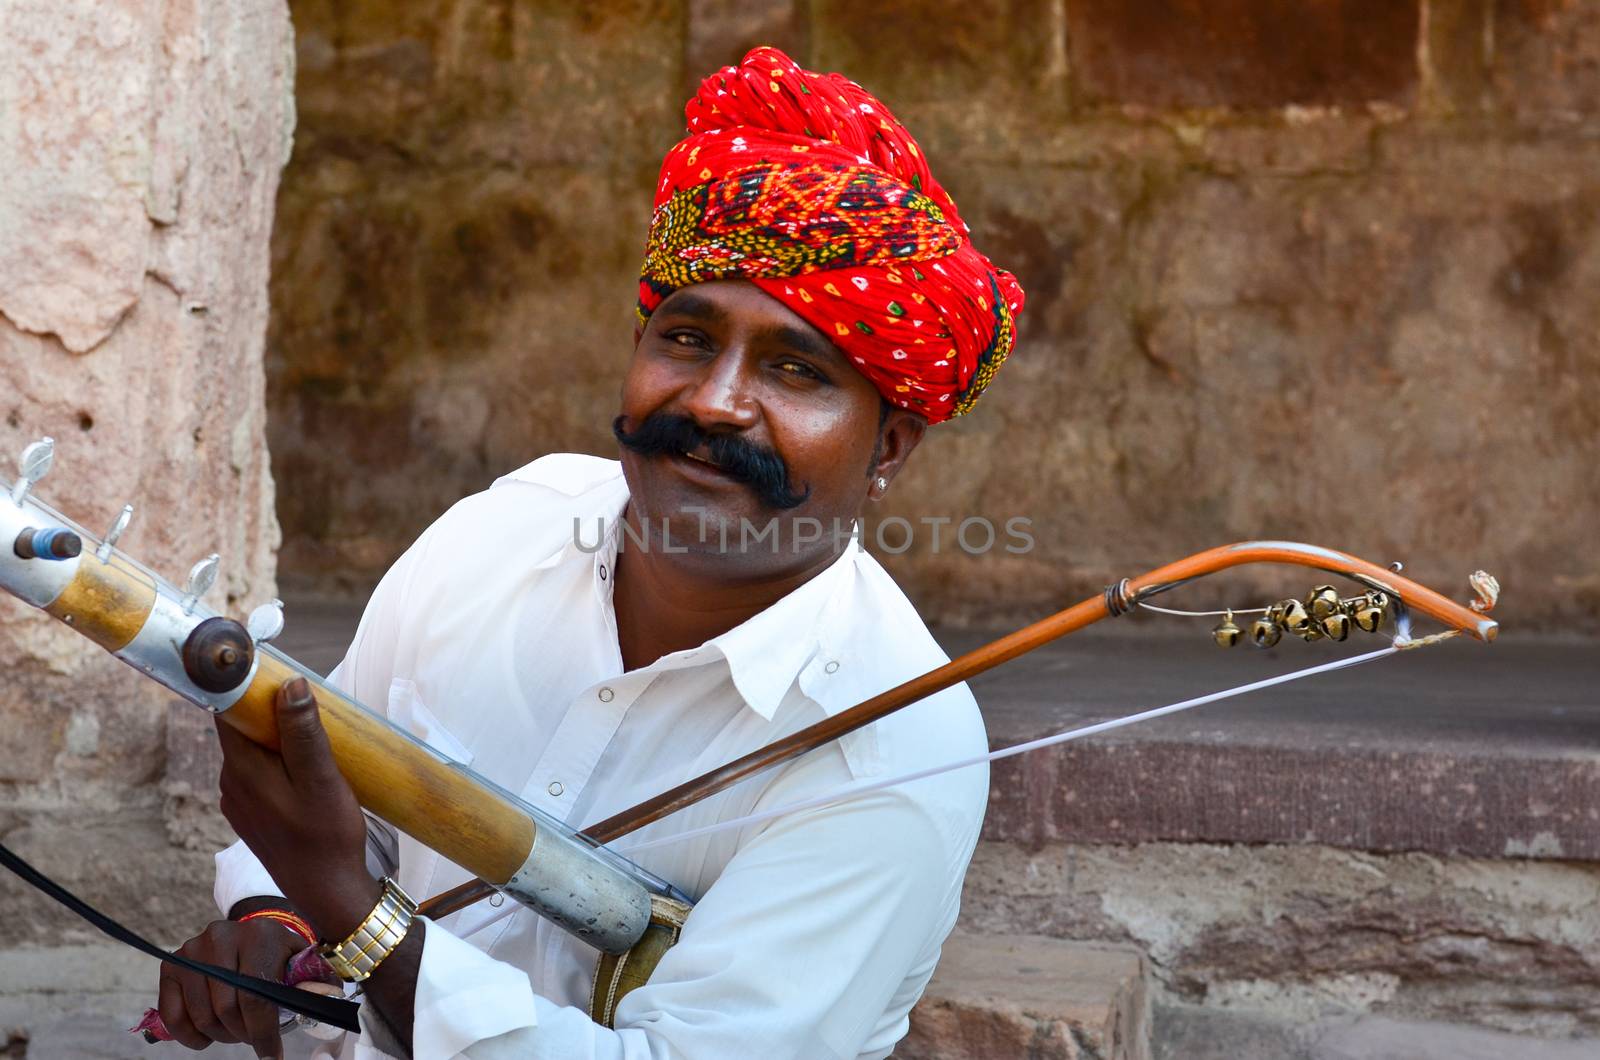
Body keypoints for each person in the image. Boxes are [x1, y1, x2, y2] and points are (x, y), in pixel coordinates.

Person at [157, 46, 1026, 1060]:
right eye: (688, 339)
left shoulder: (894, 745)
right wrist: (279, 920)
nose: (713, 401)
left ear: (886, 448)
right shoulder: (502, 532)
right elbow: (350, 820)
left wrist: (348, 909)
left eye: (795, 368)